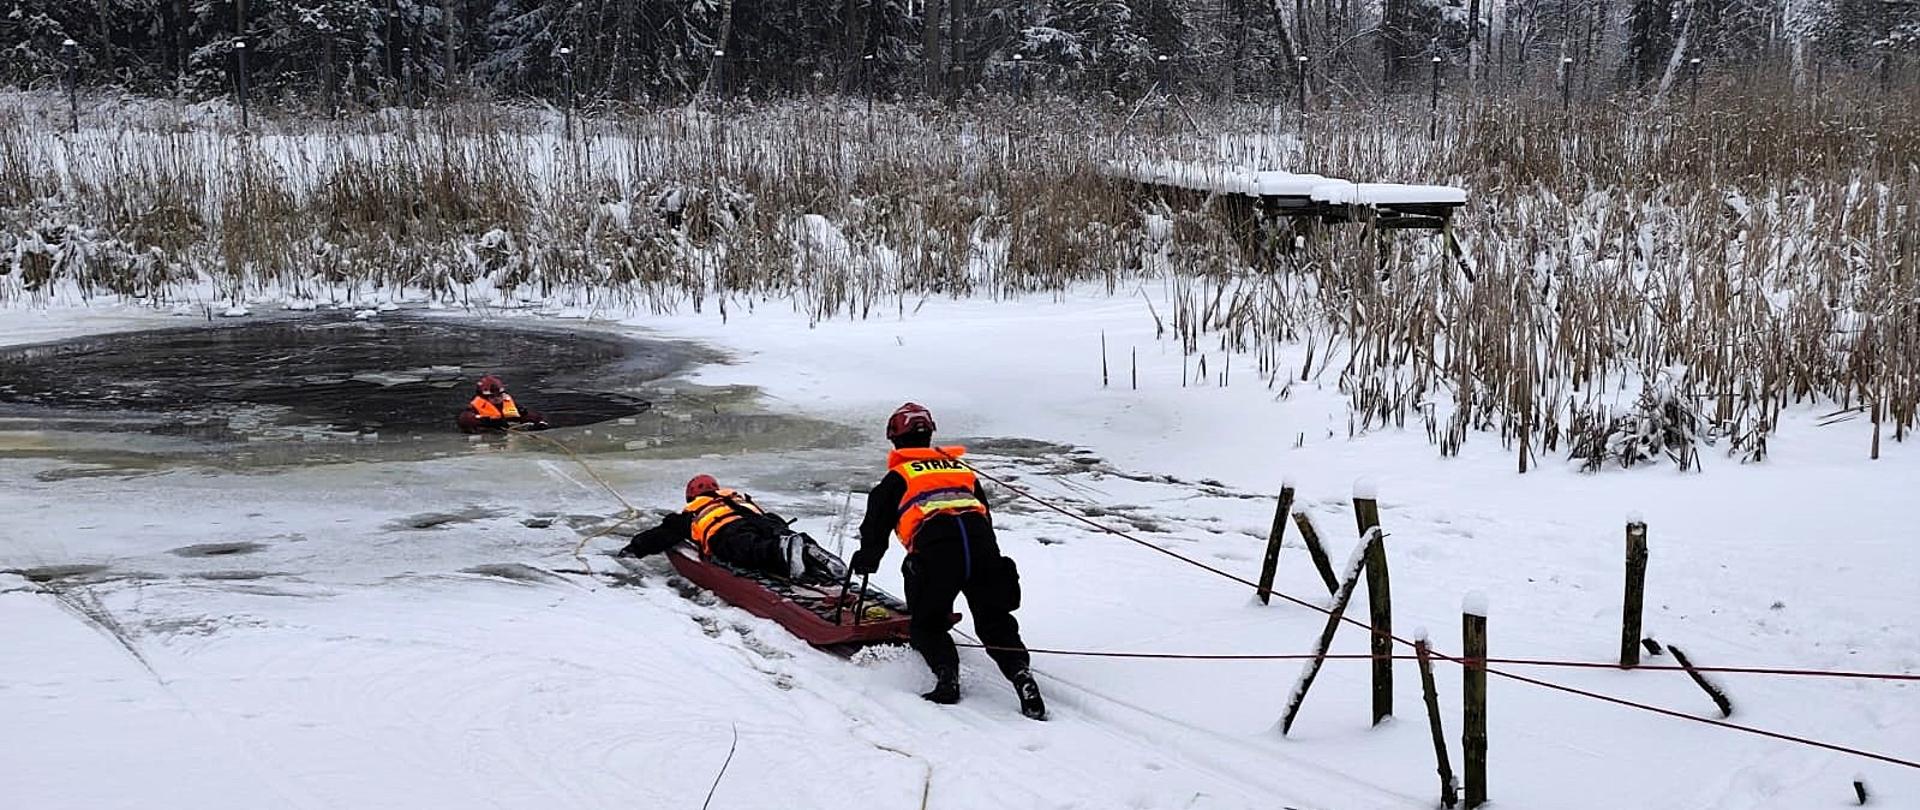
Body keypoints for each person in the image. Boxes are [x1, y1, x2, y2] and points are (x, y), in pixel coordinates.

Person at [850, 402, 1046, 720]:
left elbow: (875, 528)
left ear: (893, 438)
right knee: (995, 622)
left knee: (927, 624)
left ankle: (947, 680)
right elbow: (984, 513)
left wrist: (867, 561)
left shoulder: (897, 478)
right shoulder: (961, 470)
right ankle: (1022, 676)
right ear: (929, 435)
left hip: (937, 554)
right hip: (983, 549)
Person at [620, 475, 810, 579]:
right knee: (779, 535)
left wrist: (633, 549)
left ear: (691, 496)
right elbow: (770, 517)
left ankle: (781, 550)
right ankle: (810, 553)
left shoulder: (691, 514)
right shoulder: (736, 499)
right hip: (763, 523)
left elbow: (660, 536)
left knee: (748, 548)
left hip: (726, 531)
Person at [457, 374, 548, 433]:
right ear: (484, 398)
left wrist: (539, 421)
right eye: (492, 397)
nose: (497, 399)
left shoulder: (508, 403)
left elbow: (530, 415)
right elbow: (465, 420)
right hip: (488, 436)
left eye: (499, 395)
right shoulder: (474, 408)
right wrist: (487, 421)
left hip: (511, 432)